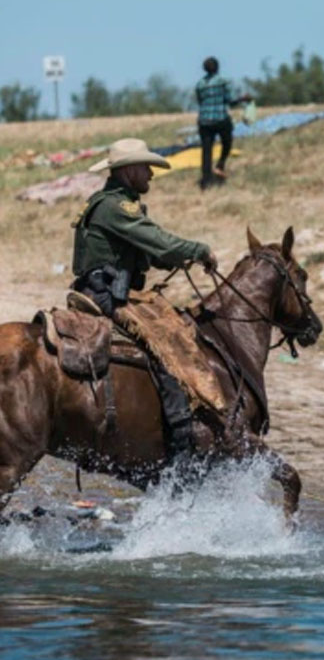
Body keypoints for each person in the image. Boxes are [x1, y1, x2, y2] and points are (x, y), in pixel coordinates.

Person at [73, 138, 218, 456]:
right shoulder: (116, 206)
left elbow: (153, 252)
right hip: (107, 296)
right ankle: (181, 433)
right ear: (128, 171)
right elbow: (160, 242)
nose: (151, 174)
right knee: (168, 347)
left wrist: (178, 257)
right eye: (146, 167)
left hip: (108, 290)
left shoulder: (115, 203)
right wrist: (198, 250)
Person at [195, 57, 248, 190]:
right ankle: (221, 163)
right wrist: (243, 99)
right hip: (220, 118)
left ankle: (206, 181)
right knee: (227, 141)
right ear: (217, 68)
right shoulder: (223, 82)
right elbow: (229, 100)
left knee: (206, 151)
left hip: (204, 121)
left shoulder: (199, 84)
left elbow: (200, 102)